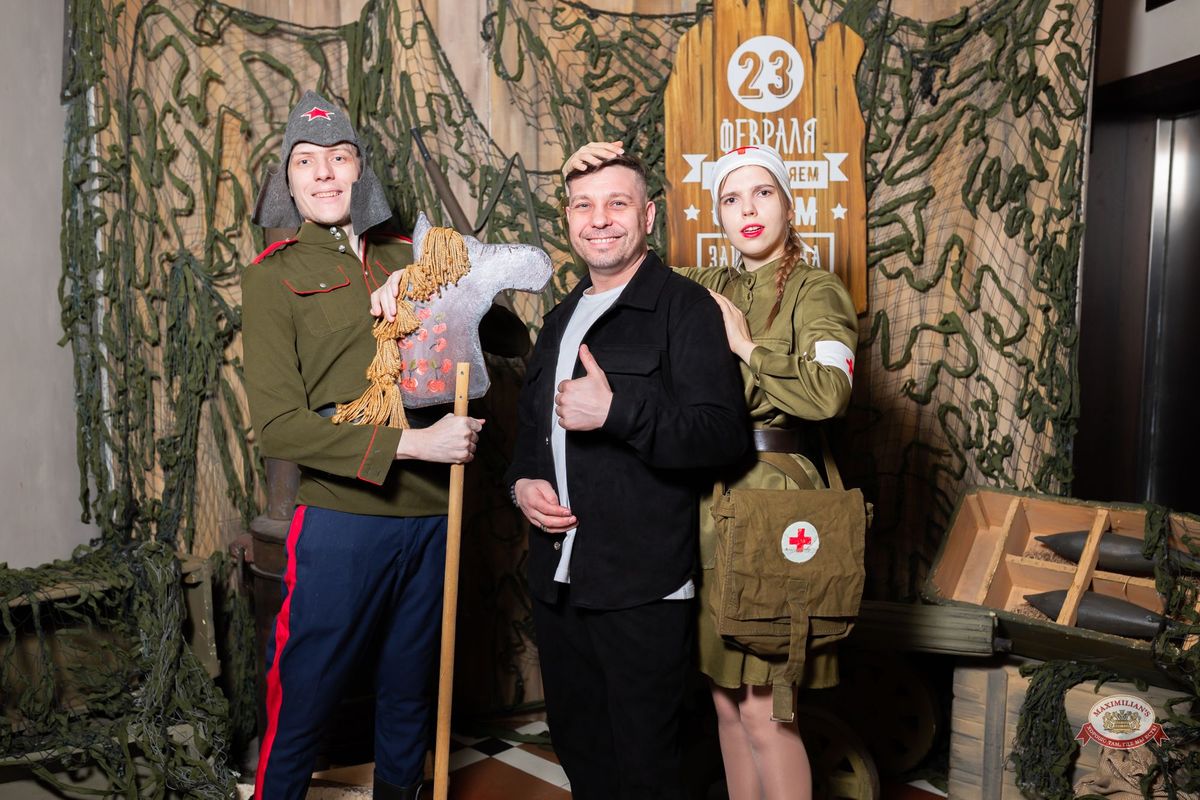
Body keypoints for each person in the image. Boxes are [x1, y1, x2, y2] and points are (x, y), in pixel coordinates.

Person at [564, 141, 858, 800]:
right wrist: (579, 174)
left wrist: (746, 347)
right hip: (707, 504)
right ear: (716, 214)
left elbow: (828, 394)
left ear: (788, 204)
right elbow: (617, 249)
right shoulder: (704, 283)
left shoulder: (816, 289)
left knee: (766, 710)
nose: (748, 210)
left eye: (763, 193)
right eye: (731, 198)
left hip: (776, 503)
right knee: (725, 702)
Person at [241, 90, 483, 800]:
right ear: (287, 182)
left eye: (339, 158)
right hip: (342, 520)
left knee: (410, 696)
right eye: (305, 162)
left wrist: (434, 282)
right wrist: (414, 446)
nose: (323, 174)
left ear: (360, 171)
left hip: (434, 516)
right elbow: (280, 428)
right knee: (303, 698)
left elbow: (501, 332)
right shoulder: (273, 275)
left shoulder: (413, 253)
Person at [498, 153, 748, 799]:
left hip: (643, 582)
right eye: (584, 205)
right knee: (582, 751)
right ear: (569, 220)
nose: (600, 219)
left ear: (648, 215)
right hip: (558, 581)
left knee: (647, 765)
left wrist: (617, 412)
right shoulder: (560, 319)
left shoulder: (684, 308)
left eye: (617, 203)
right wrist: (522, 485)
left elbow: (722, 436)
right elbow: (530, 437)